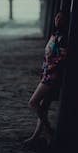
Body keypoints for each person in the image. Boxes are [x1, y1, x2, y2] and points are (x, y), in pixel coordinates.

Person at [23, 10, 68, 146]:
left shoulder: (63, 37)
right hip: (46, 73)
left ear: (65, 21)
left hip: (51, 76)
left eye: (61, 17)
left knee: (33, 103)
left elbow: (62, 57)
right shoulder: (55, 34)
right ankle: (37, 137)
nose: (57, 19)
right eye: (56, 17)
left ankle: (49, 132)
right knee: (43, 106)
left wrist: (51, 70)